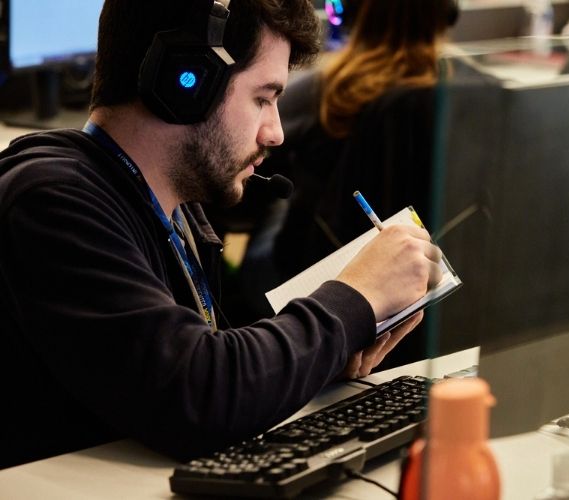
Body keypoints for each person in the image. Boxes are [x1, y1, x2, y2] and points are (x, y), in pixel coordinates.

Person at [0, 0, 444, 469]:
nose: (275, 132)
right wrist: (354, 299)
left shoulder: (172, 208)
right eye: (263, 98)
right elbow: (198, 394)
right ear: (185, 80)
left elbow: (205, 365)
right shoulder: (51, 200)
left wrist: (325, 354)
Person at [213, 0, 491, 368]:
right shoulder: (481, 94)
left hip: (312, 284)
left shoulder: (318, 94)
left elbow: (235, 203)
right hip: (443, 299)